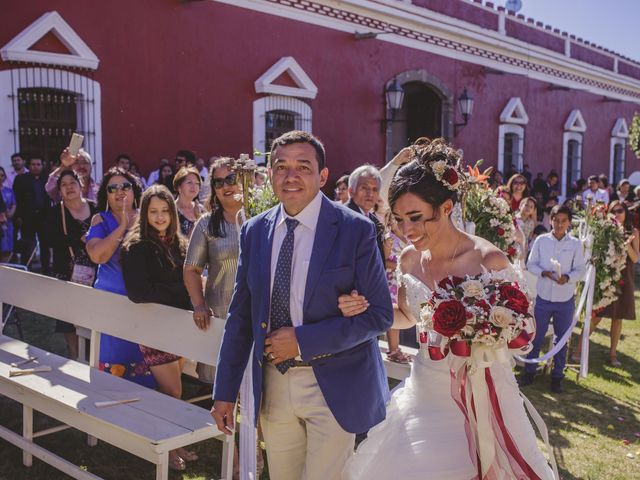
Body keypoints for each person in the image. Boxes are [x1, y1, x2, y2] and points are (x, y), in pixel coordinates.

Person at [341, 138, 554, 480]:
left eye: (416, 218)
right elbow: (408, 315)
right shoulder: (409, 260)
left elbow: (524, 331)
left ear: (446, 207)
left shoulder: (488, 260)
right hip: (425, 391)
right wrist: (363, 311)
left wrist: (485, 328)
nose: (407, 231)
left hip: (480, 397)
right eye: (398, 220)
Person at [211, 131, 393, 480]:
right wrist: (225, 390)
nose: (291, 176)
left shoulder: (355, 229)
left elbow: (380, 315)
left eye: (303, 167)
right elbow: (240, 317)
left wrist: (303, 341)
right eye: (281, 166)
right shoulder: (254, 231)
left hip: (334, 382)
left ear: (323, 176)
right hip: (274, 383)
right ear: (269, 173)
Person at [121, 184, 196, 471]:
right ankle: (165, 446)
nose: (160, 217)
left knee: (173, 391)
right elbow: (140, 292)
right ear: (145, 214)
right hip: (154, 329)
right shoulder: (137, 247)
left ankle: (172, 442)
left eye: (165, 211)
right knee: (173, 390)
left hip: (177, 328)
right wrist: (182, 290)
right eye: (153, 212)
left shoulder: (179, 244)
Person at [85, 167, 156, 387]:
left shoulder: (149, 218)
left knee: (145, 367)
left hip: (145, 304)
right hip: (110, 305)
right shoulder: (101, 220)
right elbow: (98, 255)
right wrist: (123, 226)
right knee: (114, 370)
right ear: (106, 195)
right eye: (112, 188)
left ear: (135, 190)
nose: (120, 191)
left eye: (125, 186)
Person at [183, 157, 242, 384]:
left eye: (231, 179)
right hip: (219, 314)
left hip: (258, 315)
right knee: (220, 385)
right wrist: (199, 304)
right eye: (218, 183)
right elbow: (191, 269)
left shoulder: (261, 216)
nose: (226, 186)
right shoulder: (207, 224)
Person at [521, 205, 586, 393]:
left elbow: (580, 269)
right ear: (551, 220)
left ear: (569, 223)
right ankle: (529, 372)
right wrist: (544, 272)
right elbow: (530, 264)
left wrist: (568, 277)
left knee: (561, 339)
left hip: (564, 299)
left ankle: (557, 376)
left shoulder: (574, 244)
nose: (559, 224)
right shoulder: (542, 241)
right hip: (543, 298)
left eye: (563, 221)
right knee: (536, 336)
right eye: (556, 220)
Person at [573, 201, 639, 367]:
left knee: (618, 318)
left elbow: (635, 258)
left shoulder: (633, 232)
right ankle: (577, 351)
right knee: (596, 315)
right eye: (613, 211)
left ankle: (612, 354)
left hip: (625, 277)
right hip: (605, 278)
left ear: (625, 213)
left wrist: (626, 245)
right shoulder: (604, 230)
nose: (617, 214)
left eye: (620, 211)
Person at [47, 170, 98, 359]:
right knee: (69, 317)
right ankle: (75, 356)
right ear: (59, 190)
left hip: (95, 271)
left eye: (72, 182)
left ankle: (93, 357)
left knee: (93, 314)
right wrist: (78, 239)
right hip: (67, 271)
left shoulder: (95, 208)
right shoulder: (55, 212)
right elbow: (50, 239)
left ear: (81, 184)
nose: (69, 187)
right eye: (64, 184)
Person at [13, 157, 51, 272]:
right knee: (27, 244)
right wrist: (18, 216)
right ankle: (26, 268)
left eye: (38, 164)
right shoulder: (21, 179)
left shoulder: (47, 179)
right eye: (33, 164)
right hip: (27, 218)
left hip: (43, 217)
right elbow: (16, 199)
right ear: (28, 166)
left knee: (45, 244)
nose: (35, 166)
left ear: (42, 165)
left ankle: (46, 269)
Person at [346, 164, 385, 262]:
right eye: (364, 188)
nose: (370, 194)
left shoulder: (374, 221)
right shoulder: (343, 218)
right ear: (351, 191)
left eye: (375, 189)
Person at [173, 166, 204, 237]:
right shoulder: (171, 210)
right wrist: (198, 219)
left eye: (197, 183)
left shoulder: (201, 209)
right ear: (179, 187)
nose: (194, 186)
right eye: (189, 182)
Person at [0, 167, 16, 262]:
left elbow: (14, 203)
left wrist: (10, 213)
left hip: (8, 223)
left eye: (2, 175)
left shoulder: (9, 190)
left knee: (7, 249)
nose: (0, 177)